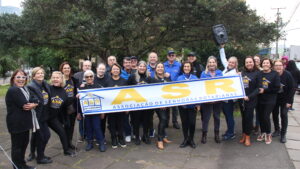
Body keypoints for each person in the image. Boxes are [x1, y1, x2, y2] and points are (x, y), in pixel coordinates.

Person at [5, 69, 37, 169]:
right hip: (16, 123)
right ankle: (17, 167)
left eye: (23, 77)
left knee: (23, 145)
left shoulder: (24, 89)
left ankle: (22, 165)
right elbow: (25, 105)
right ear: (13, 79)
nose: (21, 79)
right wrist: (34, 104)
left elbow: (34, 99)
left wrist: (34, 104)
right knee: (17, 147)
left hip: (25, 123)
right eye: (18, 77)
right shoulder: (13, 90)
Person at [27, 67, 52, 164]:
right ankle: (40, 157)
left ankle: (33, 153)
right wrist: (36, 102)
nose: (41, 75)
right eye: (38, 73)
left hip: (45, 114)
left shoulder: (44, 84)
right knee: (45, 135)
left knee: (35, 136)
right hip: (37, 116)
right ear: (33, 76)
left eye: (42, 73)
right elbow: (32, 99)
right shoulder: (31, 86)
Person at [77, 70, 107, 152]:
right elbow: (79, 102)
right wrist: (79, 112)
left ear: (93, 77)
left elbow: (102, 101)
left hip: (96, 112)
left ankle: (101, 143)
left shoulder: (98, 86)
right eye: (87, 77)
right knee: (88, 128)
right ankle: (89, 143)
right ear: (84, 78)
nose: (89, 78)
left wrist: (102, 112)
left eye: (91, 76)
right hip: (86, 112)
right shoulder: (81, 88)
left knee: (97, 127)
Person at [47, 72, 75, 156]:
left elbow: (65, 103)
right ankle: (33, 153)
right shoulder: (48, 88)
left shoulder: (63, 90)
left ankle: (66, 150)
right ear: (51, 79)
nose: (55, 79)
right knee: (39, 135)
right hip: (45, 116)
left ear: (61, 79)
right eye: (54, 77)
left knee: (62, 132)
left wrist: (76, 97)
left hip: (53, 118)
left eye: (57, 78)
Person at [127, 61, 153, 145]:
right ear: (137, 67)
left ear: (146, 68)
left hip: (146, 104)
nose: (142, 68)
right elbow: (126, 89)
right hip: (136, 104)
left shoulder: (149, 77)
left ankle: (145, 136)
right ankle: (137, 136)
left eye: (143, 66)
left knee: (147, 121)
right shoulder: (132, 77)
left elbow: (155, 88)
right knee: (136, 121)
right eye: (140, 66)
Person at [257, 58, 280, 144]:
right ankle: (263, 132)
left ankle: (268, 133)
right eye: (264, 63)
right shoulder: (259, 74)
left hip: (270, 99)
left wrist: (265, 90)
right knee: (261, 116)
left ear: (270, 65)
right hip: (260, 99)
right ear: (261, 64)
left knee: (266, 116)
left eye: (267, 63)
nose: (265, 64)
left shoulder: (275, 74)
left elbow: (277, 87)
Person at [200, 56, 223, 144]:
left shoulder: (220, 72)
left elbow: (222, 85)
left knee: (217, 117)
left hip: (218, 100)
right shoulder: (203, 73)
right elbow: (201, 86)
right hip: (207, 100)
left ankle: (216, 135)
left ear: (216, 63)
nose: (211, 64)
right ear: (207, 64)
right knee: (206, 118)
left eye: (213, 62)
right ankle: (204, 135)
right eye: (210, 62)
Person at [177, 62, 199, 148]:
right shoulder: (179, 78)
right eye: (185, 66)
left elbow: (199, 91)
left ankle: (191, 139)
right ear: (183, 68)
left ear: (191, 68)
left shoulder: (195, 78)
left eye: (188, 66)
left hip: (193, 105)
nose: (186, 68)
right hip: (183, 106)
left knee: (192, 123)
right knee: (184, 123)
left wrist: (198, 103)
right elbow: (176, 92)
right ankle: (186, 139)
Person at [239, 56, 261, 146]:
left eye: (250, 62)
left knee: (248, 118)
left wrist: (249, 96)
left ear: (253, 62)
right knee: (244, 118)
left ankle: (248, 137)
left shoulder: (258, 73)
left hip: (251, 100)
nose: (249, 64)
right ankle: (244, 135)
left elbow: (258, 88)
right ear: (245, 64)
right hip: (242, 100)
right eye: (247, 62)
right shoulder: (242, 73)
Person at [272, 60, 294, 143]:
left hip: (285, 99)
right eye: (276, 65)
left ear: (283, 66)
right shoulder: (273, 74)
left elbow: (292, 89)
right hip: (275, 99)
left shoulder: (287, 75)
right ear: (274, 66)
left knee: (284, 115)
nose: (278, 67)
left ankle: (283, 134)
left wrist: (289, 102)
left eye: (280, 65)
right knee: (274, 114)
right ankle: (277, 130)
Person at [219, 45, 239, 140]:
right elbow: (223, 58)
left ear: (235, 64)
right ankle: (229, 130)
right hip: (224, 98)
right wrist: (222, 48)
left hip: (229, 99)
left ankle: (231, 133)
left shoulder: (234, 73)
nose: (230, 63)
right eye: (229, 62)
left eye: (232, 63)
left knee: (229, 115)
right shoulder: (227, 68)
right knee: (227, 115)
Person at [106, 63, 128, 148]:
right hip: (110, 107)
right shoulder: (107, 81)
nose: (116, 70)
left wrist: (127, 107)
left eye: (117, 69)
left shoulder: (124, 81)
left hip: (121, 107)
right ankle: (113, 139)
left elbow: (127, 95)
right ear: (111, 71)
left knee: (121, 124)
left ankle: (121, 138)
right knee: (111, 124)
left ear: (120, 71)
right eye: (114, 69)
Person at [153, 62, 172, 150]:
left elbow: (170, 89)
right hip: (158, 104)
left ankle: (164, 136)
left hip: (167, 103)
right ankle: (159, 140)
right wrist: (161, 103)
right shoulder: (152, 79)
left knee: (165, 120)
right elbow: (152, 93)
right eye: (158, 67)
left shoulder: (167, 78)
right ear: (155, 69)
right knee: (163, 119)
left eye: (161, 67)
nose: (160, 68)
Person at [59, 62, 78, 150]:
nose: (67, 69)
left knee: (71, 126)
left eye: (68, 68)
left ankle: (69, 142)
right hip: (63, 108)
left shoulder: (73, 79)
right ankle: (65, 144)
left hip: (72, 106)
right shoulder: (59, 80)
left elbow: (77, 90)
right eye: (65, 68)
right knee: (65, 126)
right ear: (62, 70)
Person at [73, 60, 92, 142]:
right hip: (80, 101)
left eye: (89, 65)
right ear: (82, 66)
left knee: (90, 120)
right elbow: (73, 88)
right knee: (81, 119)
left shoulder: (93, 75)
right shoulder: (76, 75)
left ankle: (90, 135)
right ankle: (82, 135)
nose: (87, 67)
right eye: (85, 65)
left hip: (91, 102)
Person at [164, 50, 181, 129]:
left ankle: (175, 122)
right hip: (166, 89)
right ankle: (166, 122)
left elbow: (181, 75)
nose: (171, 56)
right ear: (167, 56)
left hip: (175, 89)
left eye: (173, 55)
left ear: (175, 56)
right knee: (166, 106)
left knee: (175, 107)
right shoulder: (163, 65)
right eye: (170, 55)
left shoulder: (179, 65)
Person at [120, 57, 133, 142]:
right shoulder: (120, 74)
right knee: (125, 118)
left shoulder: (135, 73)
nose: (128, 64)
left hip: (135, 98)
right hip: (124, 99)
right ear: (123, 64)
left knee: (135, 118)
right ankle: (127, 134)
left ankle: (135, 133)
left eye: (129, 62)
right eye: (126, 63)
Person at [94, 63, 109, 137]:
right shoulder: (92, 78)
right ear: (97, 69)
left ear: (105, 70)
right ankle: (95, 137)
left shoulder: (108, 79)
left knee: (103, 121)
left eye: (103, 69)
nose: (101, 70)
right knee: (95, 122)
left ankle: (102, 137)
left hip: (104, 104)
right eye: (100, 69)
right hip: (94, 104)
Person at [147, 52, 159, 138]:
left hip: (159, 96)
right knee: (149, 116)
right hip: (149, 96)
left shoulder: (161, 67)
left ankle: (163, 132)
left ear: (157, 59)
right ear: (148, 59)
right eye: (151, 57)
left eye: (154, 57)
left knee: (163, 117)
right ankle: (151, 130)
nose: (152, 58)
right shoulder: (145, 68)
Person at [253, 55, 262, 134]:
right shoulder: (250, 70)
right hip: (252, 94)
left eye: (257, 60)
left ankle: (257, 126)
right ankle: (252, 126)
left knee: (258, 112)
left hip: (260, 95)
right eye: (254, 60)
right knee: (251, 112)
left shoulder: (262, 70)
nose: (256, 61)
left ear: (260, 61)